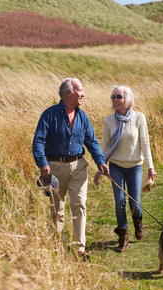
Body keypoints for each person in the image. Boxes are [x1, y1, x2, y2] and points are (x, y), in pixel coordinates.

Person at [33, 78, 109, 260]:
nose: (83, 94)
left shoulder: (82, 117)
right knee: (57, 209)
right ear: (69, 93)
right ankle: (56, 247)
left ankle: (79, 250)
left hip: (78, 167)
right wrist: (42, 164)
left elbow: (91, 141)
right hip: (54, 168)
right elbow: (38, 141)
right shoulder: (49, 115)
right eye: (79, 90)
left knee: (79, 205)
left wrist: (100, 162)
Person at [94, 86, 157, 253]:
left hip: (135, 166)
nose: (115, 99)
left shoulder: (139, 118)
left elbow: (145, 144)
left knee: (134, 202)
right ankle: (123, 237)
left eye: (119, 96)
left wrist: (150, 167)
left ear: (127, 99)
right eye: (113, 96)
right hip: (116, 166)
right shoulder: (108, 120)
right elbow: (106, 146)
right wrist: (101, 166)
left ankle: (138, 221)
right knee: (119, 201)